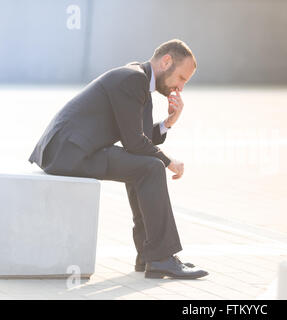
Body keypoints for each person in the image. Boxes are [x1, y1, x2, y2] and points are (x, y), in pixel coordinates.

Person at [28, 39, 208, 280]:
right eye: (182, 78)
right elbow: (135, 143)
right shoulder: (134, 79)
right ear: (167, 61)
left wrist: (169, 122)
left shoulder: (139, 79)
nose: (181, 87)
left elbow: (141, 140)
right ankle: (159, 258)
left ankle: (150, 255)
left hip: (72, 150)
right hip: (68, 153)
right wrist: (169, 161)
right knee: (151, 168)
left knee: (145, 166)